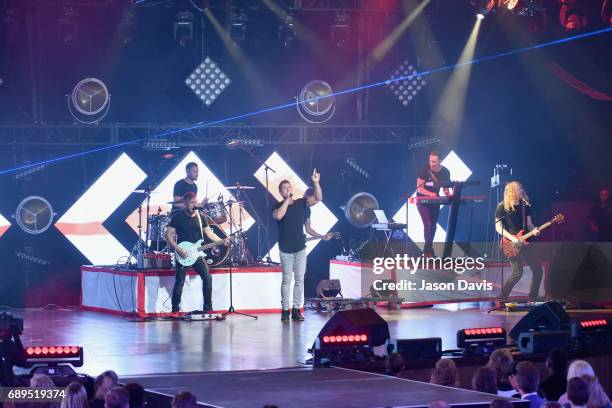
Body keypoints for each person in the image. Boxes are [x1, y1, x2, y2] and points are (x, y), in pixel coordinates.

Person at [272, 169, 331, 322]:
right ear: (280, 192)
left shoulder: (301, 203)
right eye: (284, 188)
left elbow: (318, 198)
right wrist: (286, 200)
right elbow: (279, 216)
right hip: (285, 249)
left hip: (300, 248)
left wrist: (316, 183)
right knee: (286, 280)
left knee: (299, 280)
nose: (288, 189)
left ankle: (297, 310)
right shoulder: (277, 206)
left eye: (289, 187)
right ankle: (285, 310)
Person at [165, 191, 229, 314]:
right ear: (185, 203)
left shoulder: (201, 217)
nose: (195, 205)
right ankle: (175, 310)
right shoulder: (178, 217)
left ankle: (208, 308)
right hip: (182, 252)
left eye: (196, 202)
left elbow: (209, 233)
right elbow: (167, 235)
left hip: (197, 254)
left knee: (207, 278)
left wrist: (221, 241)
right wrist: (178, 249)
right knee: (180, 282)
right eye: (192, 203)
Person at [495, 181, 543, 303]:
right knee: (517, 273)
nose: (520, 191)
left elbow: (529, 224)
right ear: (511, 192)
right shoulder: (502, 207)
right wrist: (513, 238)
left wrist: (534, 230)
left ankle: (532, 298)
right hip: (511, 243)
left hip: (526, 241)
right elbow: (498, 227)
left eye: (521, 188)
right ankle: (501, 298)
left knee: (538, 270)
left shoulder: (525, 206)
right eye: (517, 189)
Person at [416, 150, 451, 257]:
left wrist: (449, 194)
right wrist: (431, 194)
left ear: (440, 161)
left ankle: (428, 249)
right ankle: (427, 251)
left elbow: (445, 188)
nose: (431, 163)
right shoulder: (424, 169)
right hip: (422, 201)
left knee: (434, 226)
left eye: (434, 162)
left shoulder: (446, 172)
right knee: (428, 224)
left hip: (435, 201)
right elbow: (419, 188)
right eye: (430, 161)